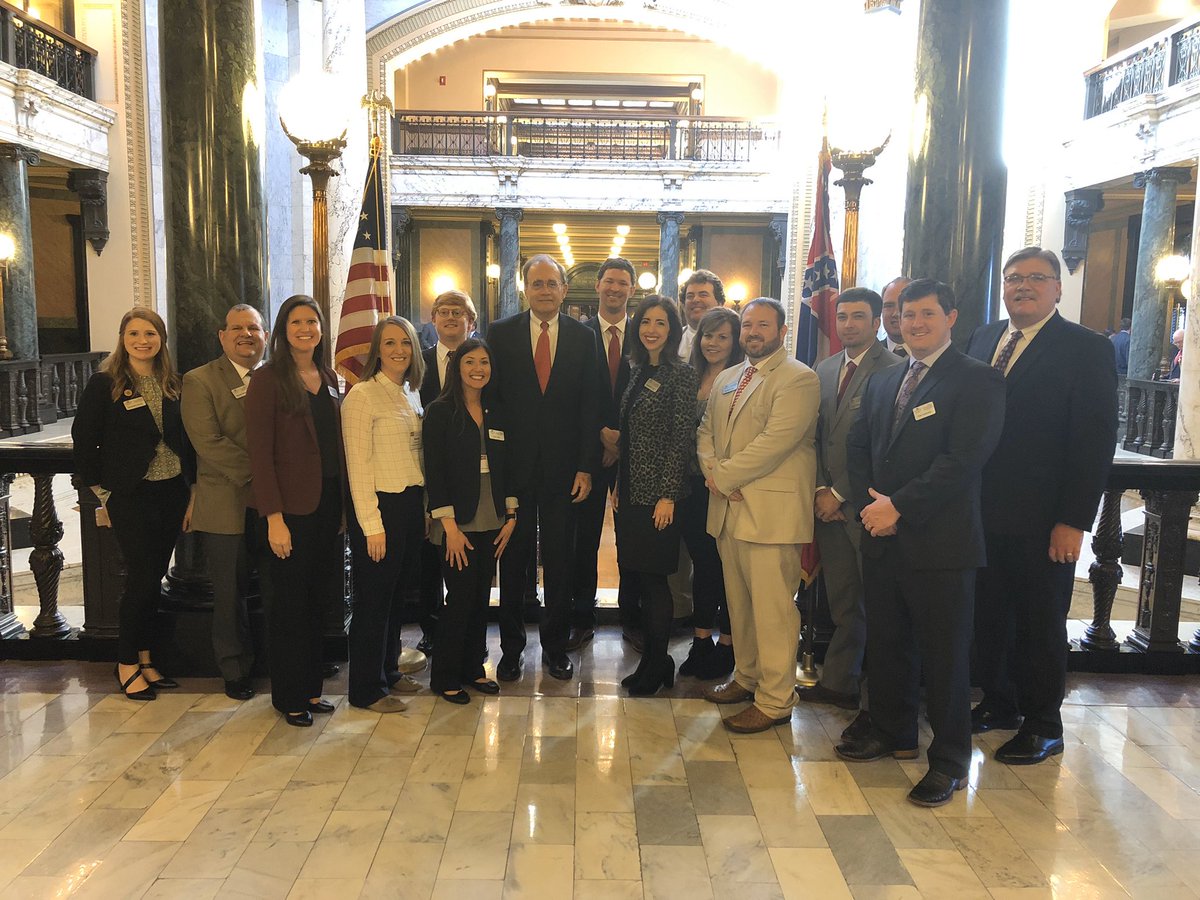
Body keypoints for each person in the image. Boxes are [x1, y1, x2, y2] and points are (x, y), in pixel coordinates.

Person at [838, 279, 1005, 807]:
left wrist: (898, 508)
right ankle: (894, 731)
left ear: (951, 318)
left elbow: (962, 461)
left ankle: (951, 761)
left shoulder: (978, 380)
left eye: (927, 314)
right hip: (882, 537)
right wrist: (873, 506)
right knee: (887, 646)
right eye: (907, 315)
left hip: (941, 545)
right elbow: (859, 442)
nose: (915, 324)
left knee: (945, 658)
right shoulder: (890, 378)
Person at [966, 247, 1118, 764]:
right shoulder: (985, 338)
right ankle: (1000, 701)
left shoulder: (1085, 349)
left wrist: (1074, 521)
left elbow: (1093, 441)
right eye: (1013, 278)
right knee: (990, 615)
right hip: (981, 513)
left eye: (1036, 278)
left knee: (1038, 622)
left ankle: (1043, 723)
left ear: (1057, 288)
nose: (1022, 286)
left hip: (1042, 519)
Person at [696, 298, 819, 733]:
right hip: (728, 510)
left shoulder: (799, 378)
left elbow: (776, 441)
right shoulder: (729, 377)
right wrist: (712, 472)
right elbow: (706, 431)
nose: (753, 332)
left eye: (763, 325)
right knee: (741, 607)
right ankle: (746, 678)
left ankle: (776, 699)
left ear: (782, 331)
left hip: (770, 511)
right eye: (747, 325)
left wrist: (723, 476)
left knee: (773, 612)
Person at [486, 254, 600, 682]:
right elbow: (494, 403)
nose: (546, 290)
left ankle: (554, 646)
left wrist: (587, 466)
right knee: (512, 562)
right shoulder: (501, 334)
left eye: (553, 283)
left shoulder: (582, 336)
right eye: (537, 283)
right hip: (514, 470)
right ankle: (512, 649)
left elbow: (590, 404)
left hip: (564, 471)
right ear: (525, 289)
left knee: (559, 560)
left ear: (564, 290)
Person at [73, 308, 189, 701]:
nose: (143, 341)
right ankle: (125, 663)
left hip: (171, 491)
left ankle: (145, 657)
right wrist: (104, 495)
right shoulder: (105, 384)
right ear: (123, 338)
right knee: (140, 580)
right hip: (130, 495)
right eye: (135, 333)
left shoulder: (173, 382)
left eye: (151, 333)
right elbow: (85, 445)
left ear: (162, 339)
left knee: (154, 578)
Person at [801, 288, 901, 713]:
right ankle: (839, 683)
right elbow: (815, 435)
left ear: (877, 322)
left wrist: (841, 492)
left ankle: (879, 693)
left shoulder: (894, 370)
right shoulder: (823, 368)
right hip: (825, 506)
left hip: (866, 508)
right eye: (842, 317)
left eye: (858, 317)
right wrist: (821, 490)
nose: (847, 325)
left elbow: (882, 446)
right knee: (843, 601)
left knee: (876, 603)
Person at [246, 295, 343, 728]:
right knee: (288, 607)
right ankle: (288, 697)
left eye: (313, 321)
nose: (306, 328)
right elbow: (260, 456)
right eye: (297, 321)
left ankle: (310, 690)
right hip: (288, 513)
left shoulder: (329, 377)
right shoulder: (267, 379)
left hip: (326, 509)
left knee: (317, 603)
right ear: (284, 331)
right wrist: (274, 518)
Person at [423, 338, 519, 703]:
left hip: (492, 518)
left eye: (484, 362)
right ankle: (445, 676)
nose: (478, 369)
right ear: (457, 367)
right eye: (470, 362)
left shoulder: (498, 411)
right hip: (455, 524)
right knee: (459, 599)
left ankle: (473, 669)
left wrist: (511, 515)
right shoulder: (440, 411)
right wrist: (449, 528)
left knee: (481, 597)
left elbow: (508, 467)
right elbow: (435, 472)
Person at [181, 304, 268, 702]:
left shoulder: (275, 377)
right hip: (226, 503)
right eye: (237, 328)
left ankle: (276, 659)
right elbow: (208, 443)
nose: (246, 335)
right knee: (230, 593)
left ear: (265, 336)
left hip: (273, 505)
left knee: (277, 586)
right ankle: (234, 668)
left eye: (254, 328)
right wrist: (265, 474)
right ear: (222, 335)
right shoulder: (199, 380)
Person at [342, 316, 428, 713]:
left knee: (395, 599)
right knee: (373, 602)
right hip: (379, 509)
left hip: (409, 506)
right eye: (390, 343)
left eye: (406, 343)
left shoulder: (409, 392)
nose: (399, 351)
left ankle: (389, 670)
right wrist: (371, 527)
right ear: (377, 349)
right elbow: (357, 466)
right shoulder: (362, 396)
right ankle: (365, 689)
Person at [615, 296, 698, 695]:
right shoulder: (636, 370)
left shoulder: (680, 374)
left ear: (672, 330)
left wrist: (668, 496)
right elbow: (629, 436)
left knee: (655, 581)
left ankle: (658, 662)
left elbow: (681, 438)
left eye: (660, 323)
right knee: (639, 576)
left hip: (659, 497)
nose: (651, 329)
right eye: (645, 321)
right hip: (631, 492)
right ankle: (653, 660)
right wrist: (618, 484)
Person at [571, 257, 636, 651]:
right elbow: (573, 394)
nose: (615, 289)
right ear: (597, 286)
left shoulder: (646, 335)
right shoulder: (579, 335)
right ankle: (582, 616)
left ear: (632, 289)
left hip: (634, 455)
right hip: (587, 451)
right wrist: (601, 436)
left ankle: (633, 616)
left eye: (623, 283)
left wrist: (621, 441)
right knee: (584, 538)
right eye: (609, 281)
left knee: (633, 539)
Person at [678, 306, 743, 678]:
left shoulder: (742, 378)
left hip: (723, 486)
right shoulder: (690, 376)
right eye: (707, 335)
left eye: (722, 336)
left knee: (725, 568)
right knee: (702, 566)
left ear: (734, 342)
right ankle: (700, 641)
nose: (713, 343)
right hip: (690, 488)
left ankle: (728, 645)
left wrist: (723, 475)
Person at [417, 289, 480, 653]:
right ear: (434, 319)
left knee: (467, 562)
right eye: (443, 311)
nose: (451, 317)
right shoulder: (417, 363)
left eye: (459, 312)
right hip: (426, 475)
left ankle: (468, 633)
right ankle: (431, 629)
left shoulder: (483, 361)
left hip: (473, 480)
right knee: (429, 560)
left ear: (470, 322)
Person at [678, 269, 726, 359]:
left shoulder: (733, 341)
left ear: (719, 303)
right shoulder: (672, 339)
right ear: (683, 305)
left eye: (703, 295)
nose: (696, 300)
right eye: (690, 296)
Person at [879, 277, 910, 356]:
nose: (896, 313)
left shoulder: (934, 353)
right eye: (889, 306)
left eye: (902, 305)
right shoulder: (866, 356)